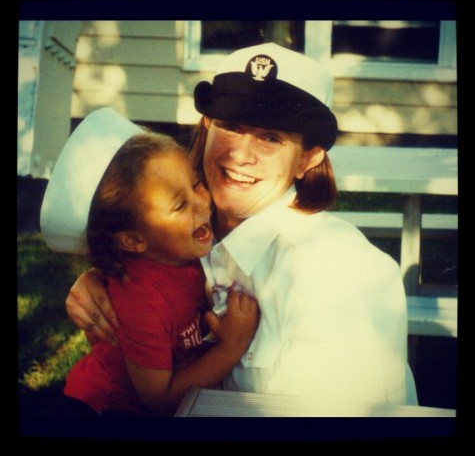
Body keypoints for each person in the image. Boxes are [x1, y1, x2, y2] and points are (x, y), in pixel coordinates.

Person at [64, 43, 418, 408]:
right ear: (206, 126)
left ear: (307, 159)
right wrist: (104, 275)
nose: (239, 155)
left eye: (271, 138)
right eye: (229, 126)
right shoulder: (182, 234)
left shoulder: (336, 276)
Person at [40, 107, 259, 416]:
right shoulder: (141, 302)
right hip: (104, 410)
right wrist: (231, 346)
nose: (201, 202)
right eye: (179, 204)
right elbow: (161, 398)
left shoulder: (184, 248)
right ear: (133, 241)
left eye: (196, 183)